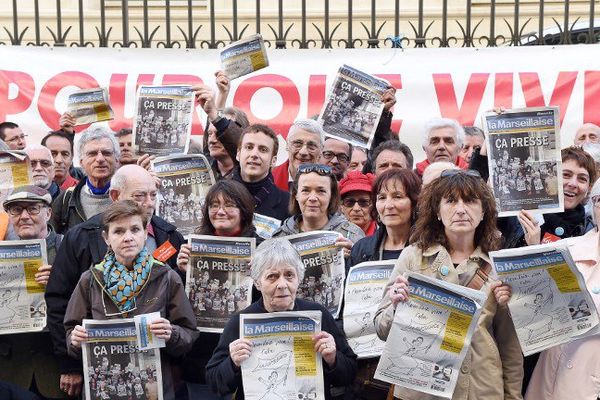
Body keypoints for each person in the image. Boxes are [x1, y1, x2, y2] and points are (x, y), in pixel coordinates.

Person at [375, 170, 523, 400]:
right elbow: (381, 330)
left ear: (484, 211)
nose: (461, 209)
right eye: (451, 201)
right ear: (437, 211)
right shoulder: (413, 258)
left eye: (470, 200)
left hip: (480, 390)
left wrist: (513, 397)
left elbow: (510, 346)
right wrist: (395, 306)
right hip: (422, 391)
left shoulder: (498, 265)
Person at [45, 165, 185, 398]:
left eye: (153, 194)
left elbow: (181, 314)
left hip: (158, 371)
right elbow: (60, 303)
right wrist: (69, 362)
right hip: (101, 371)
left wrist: (183, 272)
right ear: (115, 196)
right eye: (140, 195)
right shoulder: (81, 237)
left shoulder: (168, 235)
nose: (149, 203)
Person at [64, 201, 198, 400]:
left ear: (145, 233)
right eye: (118, 231)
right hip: (104, 390)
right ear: (106, 238)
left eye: (135, 229)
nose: (128, 238)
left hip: (153, 389)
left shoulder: (166, 277)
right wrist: (74, 340)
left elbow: (189, 333)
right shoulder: (90, 279)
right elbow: (71, 331)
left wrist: (171, 333)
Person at [205, 237, 357, 399]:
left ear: (299, 278)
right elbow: (214, 381)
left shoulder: (318, 315)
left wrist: (333, 359)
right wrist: (232, 363)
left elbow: (349, 373)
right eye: (272, 276)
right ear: (257, 282)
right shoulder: (240, 321)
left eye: (289, 275)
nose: (282, 284)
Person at [511, 179, 600, 399]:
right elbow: (531, 309)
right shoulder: (565, 250)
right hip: (548, 375)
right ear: (594, 206)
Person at [175, 179, 261, 399]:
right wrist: (183, 272)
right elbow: (177, 304)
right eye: (214, 205)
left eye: (229, 205)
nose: (220, 211)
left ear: (243, 210)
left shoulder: (261, 249)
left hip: (249, 353)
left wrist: (260, 276)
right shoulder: (190, 246)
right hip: (201, 356)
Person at [0, 186, 65, 399]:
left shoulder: (68, 248)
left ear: (48, 212)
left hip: (57, 369)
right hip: (12, 369)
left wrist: (60, 284)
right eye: (16, 210)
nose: (24, 216)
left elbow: (89, 304)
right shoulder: (1, 254)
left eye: (33, 209)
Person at [273, 163, 364, 246]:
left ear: (331, 196)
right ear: (296, 195)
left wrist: (354, 255)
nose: (312, 198)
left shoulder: (352, 235)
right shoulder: (280, 238)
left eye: (321, 191)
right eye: (305, 190)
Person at [51, 126, 120, 233]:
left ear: (117, 160)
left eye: (106, 153)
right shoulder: (66, 200)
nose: (100, 159)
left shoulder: (129, 196)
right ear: (81, 161)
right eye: (92, 153)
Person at [350, 168, 422, 266]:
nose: (388, 205)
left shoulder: (429, 249)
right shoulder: (361, 249)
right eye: (382, 198)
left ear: (414, 202)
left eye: (397, 196)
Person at [232, 124, 290, 221]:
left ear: (273, 160)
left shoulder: (287, 203)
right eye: (249, 147)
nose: (254, 154)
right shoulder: (218, 197)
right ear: (238, 153)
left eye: (263, 150)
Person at [272, 119, 324, 192]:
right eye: (297, 144)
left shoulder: (330, 187)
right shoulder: (269, 180)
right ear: (287, 145)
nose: (303, 152)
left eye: (311, 146)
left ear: (321, 150)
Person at [339, 171, 377, 236]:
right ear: (341, 207)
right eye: (350, 202)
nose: (356, 208)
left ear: (374, 205)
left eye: (363, 202)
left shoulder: (387, 234)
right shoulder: (333, 235)